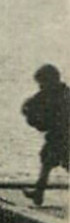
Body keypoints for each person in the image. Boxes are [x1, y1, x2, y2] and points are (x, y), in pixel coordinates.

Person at [22, 64, 70, 206]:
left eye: (42, 83)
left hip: (63, 137)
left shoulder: (63, 96)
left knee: (56, 162)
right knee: (47, 162)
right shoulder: (51, 94)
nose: (40, 87)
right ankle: (39, 191)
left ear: (51, 81)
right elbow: (31, 105)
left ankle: (39, 192)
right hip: (57, 137)